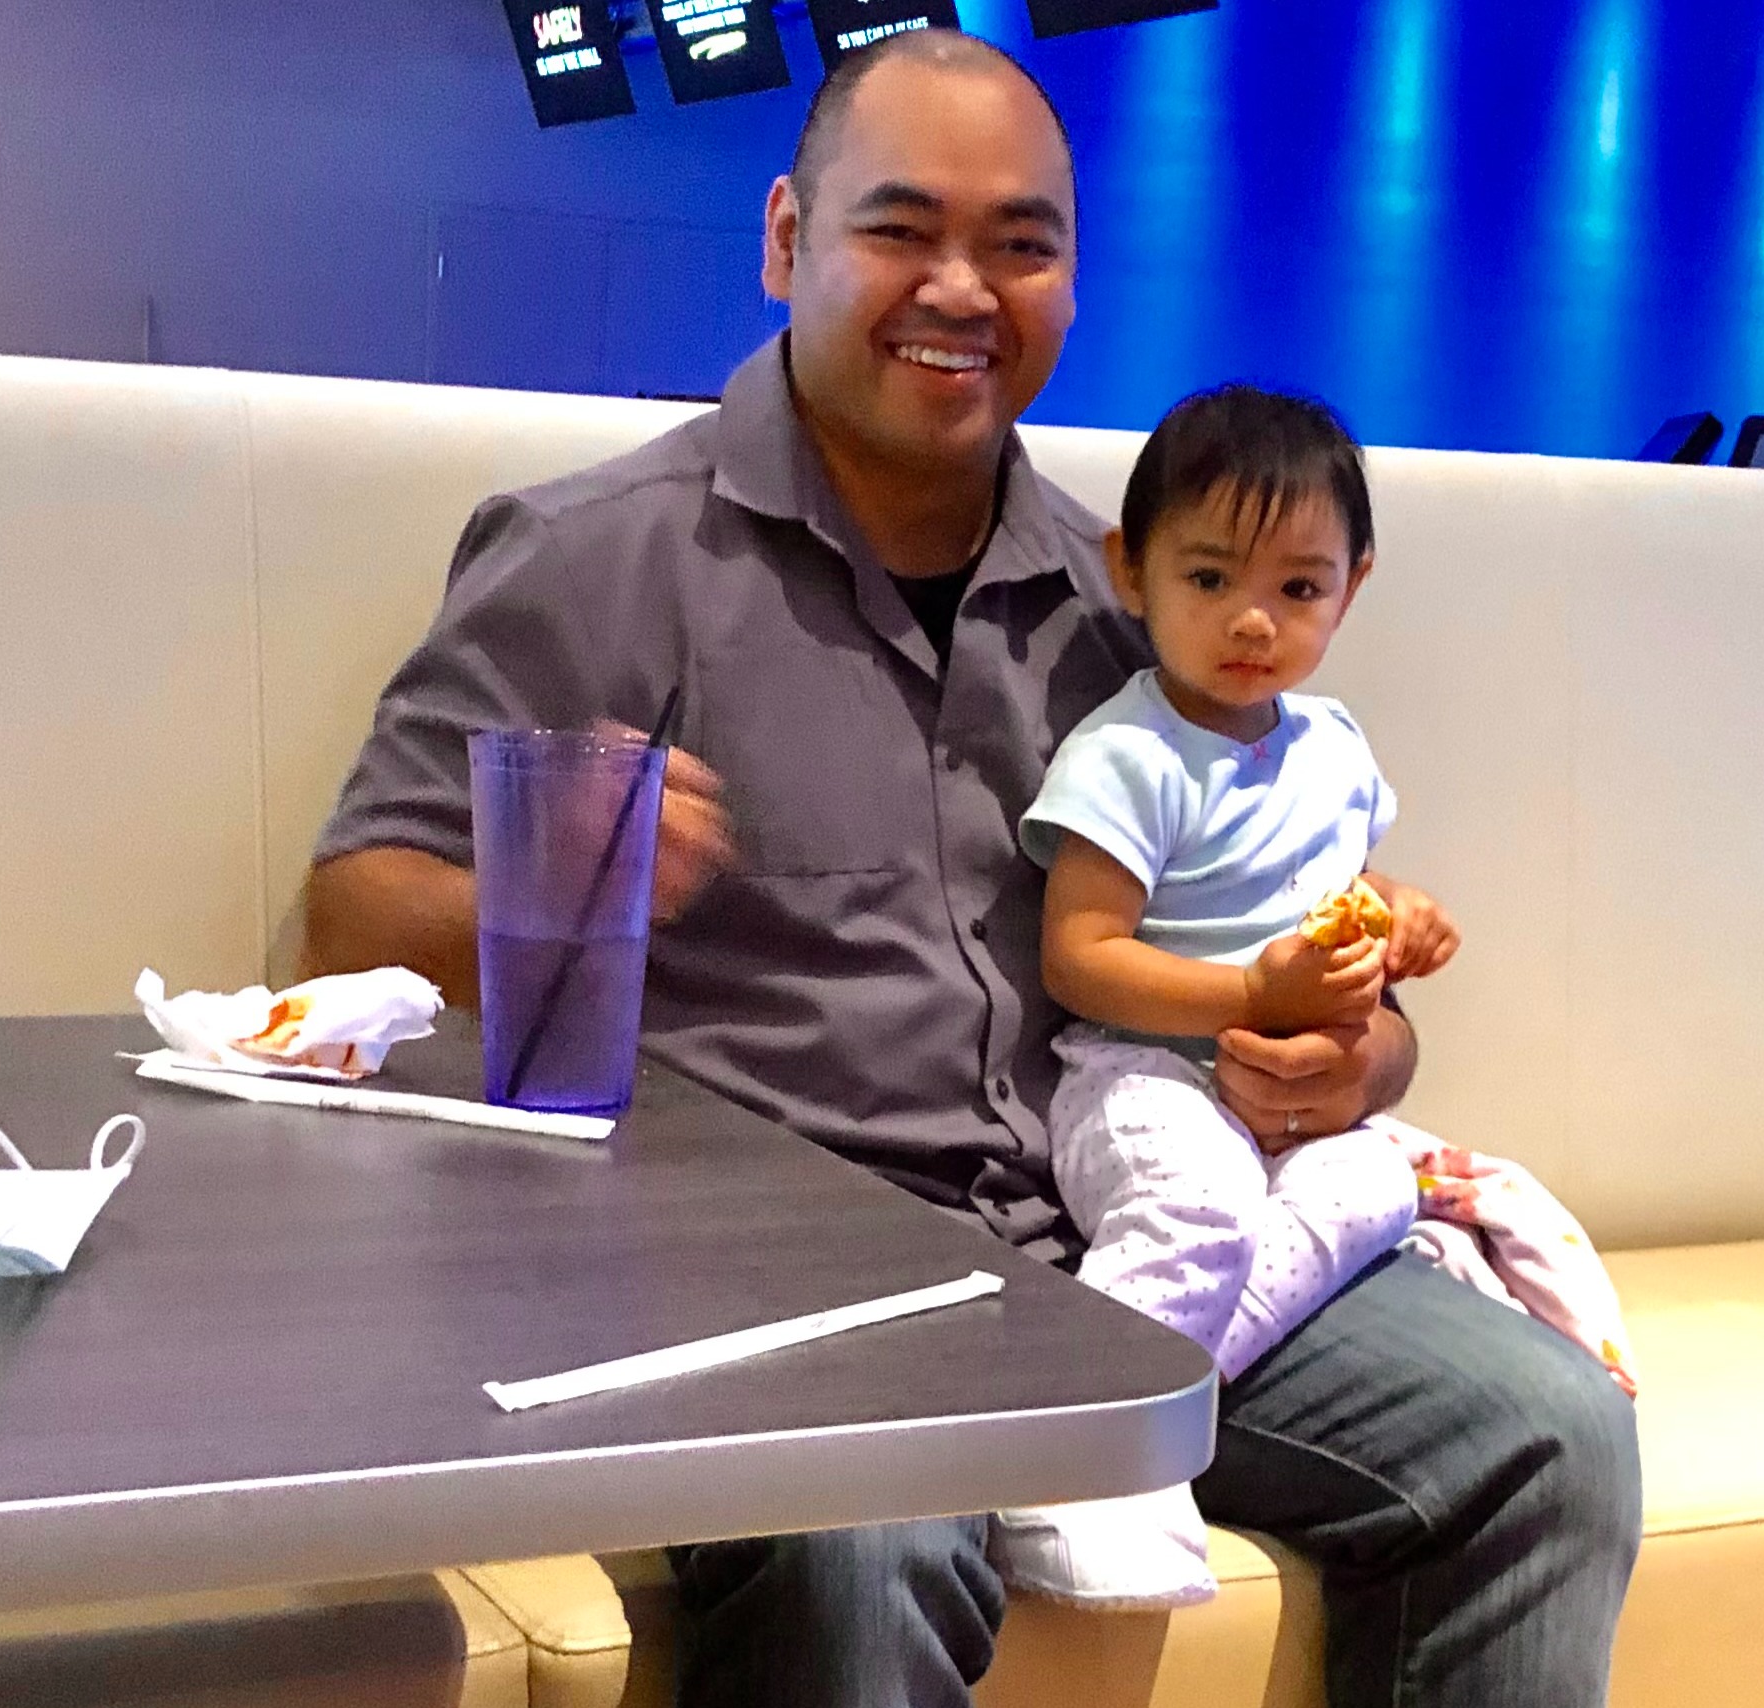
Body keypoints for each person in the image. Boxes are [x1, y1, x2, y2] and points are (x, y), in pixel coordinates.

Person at [303, 27, 1639, 1708]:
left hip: (1109, 1239)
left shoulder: (1128, 601)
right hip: (767, 1270)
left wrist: (1356, 1057)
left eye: (1020, 244)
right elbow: (347, 917)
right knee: (869, 1535)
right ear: (786, 238)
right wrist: (568, 874)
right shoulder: (596, 558)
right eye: (900, 228)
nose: (960, 287)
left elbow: (1274, 933)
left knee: (1541, 1432)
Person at [991, 383, 1463, 1612]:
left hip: (1290, 1098)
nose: (1254, 620)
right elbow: (1078, 955)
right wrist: (1250, 988)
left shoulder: (1333, 746)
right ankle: (1080, 1461)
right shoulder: (1129, 754)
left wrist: (1397, 913)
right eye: (1209, 578)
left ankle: (1149, 1406)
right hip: (1137, 1071)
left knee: (1381, 1186)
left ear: (1352, 588)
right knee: (1200, 1208)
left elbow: (1335, 889)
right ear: (1131, 570)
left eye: (1299, 588)